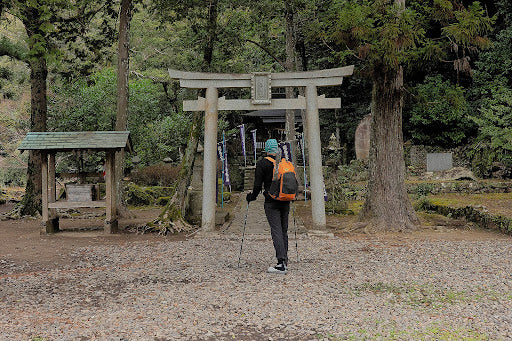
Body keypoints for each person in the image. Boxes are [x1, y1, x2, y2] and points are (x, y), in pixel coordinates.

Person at [246, 138, 290, 274]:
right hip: (285, 199)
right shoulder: (285, 163)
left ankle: (281, 263)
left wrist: (251, 197)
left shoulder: (262, 164)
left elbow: (258, 186)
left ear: (266, 149)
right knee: (283, 230)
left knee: (276, 230)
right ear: (277, 150)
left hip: (271, 201)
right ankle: (284, 259)